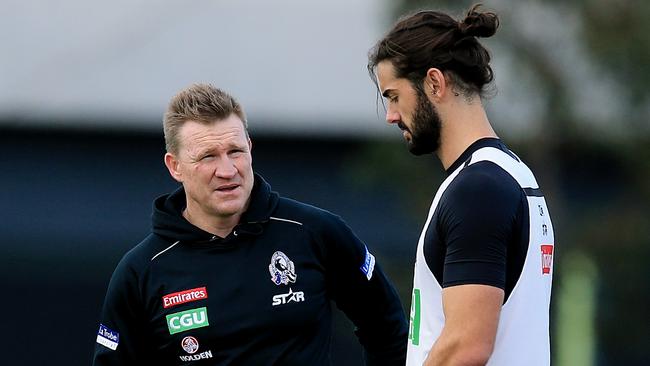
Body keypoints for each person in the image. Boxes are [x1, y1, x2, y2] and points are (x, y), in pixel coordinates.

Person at [92, 83, 408, 365]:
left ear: (250, 149)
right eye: (208, 157)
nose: (228, 170)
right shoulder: (141, 272)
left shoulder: (315, 232)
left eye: (235, 151)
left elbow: (386, 324)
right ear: (175, 166)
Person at [367, 4, 555, 366]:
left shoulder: (478, 189)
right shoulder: (510, 174)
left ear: (435, 83)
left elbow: (466, 346)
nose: (391, 115)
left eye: (393, 96)